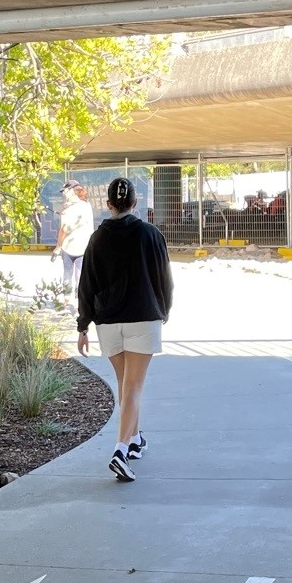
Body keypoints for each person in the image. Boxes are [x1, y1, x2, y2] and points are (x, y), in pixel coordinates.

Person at [76, 175, 174, 482]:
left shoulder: (97, 238)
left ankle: (135, 440)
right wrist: (164, 309)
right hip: (143, 318)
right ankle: (120, 450)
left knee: (124, 385)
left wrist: (83, 325)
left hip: (108, 322)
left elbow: (86, 284)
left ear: (108, 205)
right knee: (133, 388)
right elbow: (164, 277)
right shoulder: (150, 233)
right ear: (134, 203)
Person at [54, 181, 94, 291]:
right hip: (84, 246)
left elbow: (64, 229)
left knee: (67, 274)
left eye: (65, 191)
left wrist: (58, 247)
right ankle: (79, 303)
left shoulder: (69, 209)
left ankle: (66, 303)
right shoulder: (87, 205)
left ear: (72, 191)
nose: (63, 194)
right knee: (80, 275)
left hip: (69, 247)